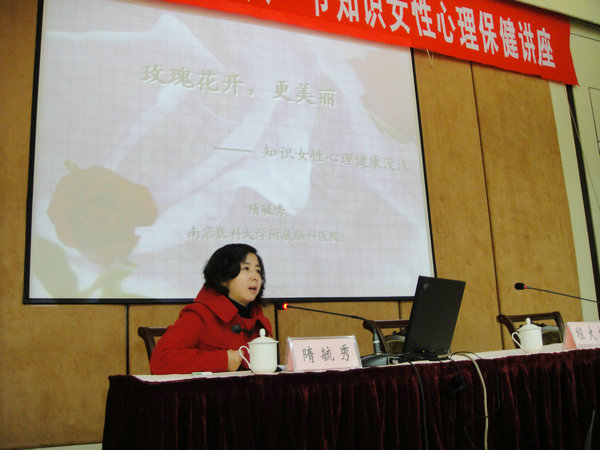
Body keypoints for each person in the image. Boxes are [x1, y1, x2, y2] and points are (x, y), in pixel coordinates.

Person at [150, 243, 273, 374]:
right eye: (246, 268)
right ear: (223, 277)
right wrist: (222, 360)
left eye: (258, 271)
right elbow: (161, 359)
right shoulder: (200, 315)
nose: (255, 277)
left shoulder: (259, 320)